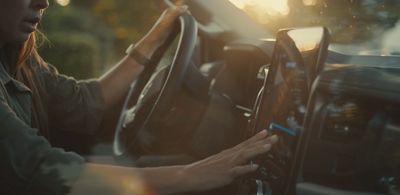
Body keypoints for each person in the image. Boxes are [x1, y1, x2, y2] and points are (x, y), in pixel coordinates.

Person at [0, 0, 279, 194]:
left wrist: (158, 35)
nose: (43, 2)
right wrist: (194, 174)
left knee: (153, 166)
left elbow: (82, 102)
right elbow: (39, 170)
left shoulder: (17, 58)